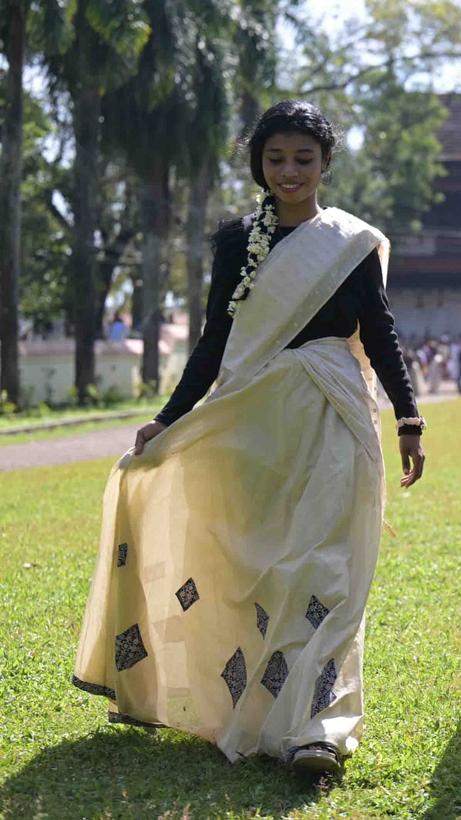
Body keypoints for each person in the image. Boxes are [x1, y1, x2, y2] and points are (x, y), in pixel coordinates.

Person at [72, 101, 426, 777]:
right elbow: (215, 340)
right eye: (275, 159)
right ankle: (260, 714)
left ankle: (315, 728)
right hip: (253, 426)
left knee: (323, 570)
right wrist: (171, 417)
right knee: (254, 570)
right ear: (258, 163)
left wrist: (410, 418)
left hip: (332, 416)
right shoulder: (237, 241)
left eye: (303, 159)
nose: (289, 172)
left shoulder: (351, 244)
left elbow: (378, 332)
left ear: (326, 163)